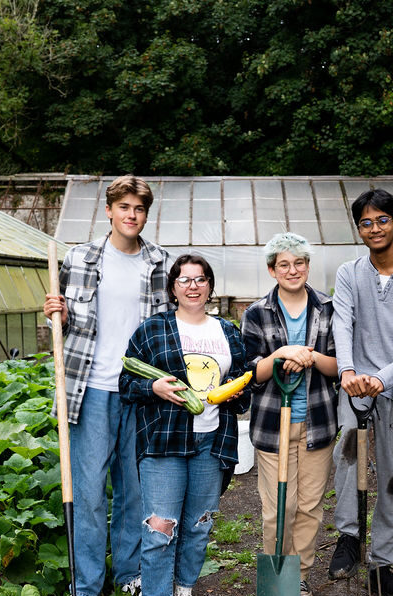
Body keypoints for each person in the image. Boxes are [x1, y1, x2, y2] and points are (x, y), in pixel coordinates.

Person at [43, 174, 169, 596]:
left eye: (139, 209)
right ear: (109, 211)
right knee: (91, 493)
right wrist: (57, 315)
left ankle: (129, 577)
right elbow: (63, 328)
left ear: (146, 215)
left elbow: (167, 329)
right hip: (90, 390)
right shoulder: (79, 258)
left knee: (134, 492)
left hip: (141, 391)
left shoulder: (160, 262)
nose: (132, 215)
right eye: (124, 207)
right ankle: (88, 585)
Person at [120, 254, 249, 596]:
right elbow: (126, 384)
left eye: (200, 279)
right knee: (160, 529)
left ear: (210, 286)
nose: (193, 286)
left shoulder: (228, 331)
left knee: (198, 527)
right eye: (184, 280)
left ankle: (184, 589)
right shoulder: (153, 329)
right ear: (173, 288)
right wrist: (154, 387)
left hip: (213, 441)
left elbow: (243, 385)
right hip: (164, 442)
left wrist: (235, 392)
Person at [328, 189, 393, 596]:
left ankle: (381, 564)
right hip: (355, 385)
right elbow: (342, 323)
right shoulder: (349, 273)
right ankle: (348, 538)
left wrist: (382, 378)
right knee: (347, 454)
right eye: (366, 223)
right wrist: (348, 370)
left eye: (382, 220)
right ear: (359, 229)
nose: (375, 228)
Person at [241, 233, 339, 596]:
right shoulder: (256, 313)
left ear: (308, 266)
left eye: (299, 263)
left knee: (309, 507)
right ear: (272, 270)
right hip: (273, 426)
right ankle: (277, 581)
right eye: (284, 264)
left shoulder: (328, 308)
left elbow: (340, 366)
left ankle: (298, 579)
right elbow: (251, 374)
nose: (292, 270)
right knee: (279, 507)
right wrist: (281, 354)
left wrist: (310, 356)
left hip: (318, 424)